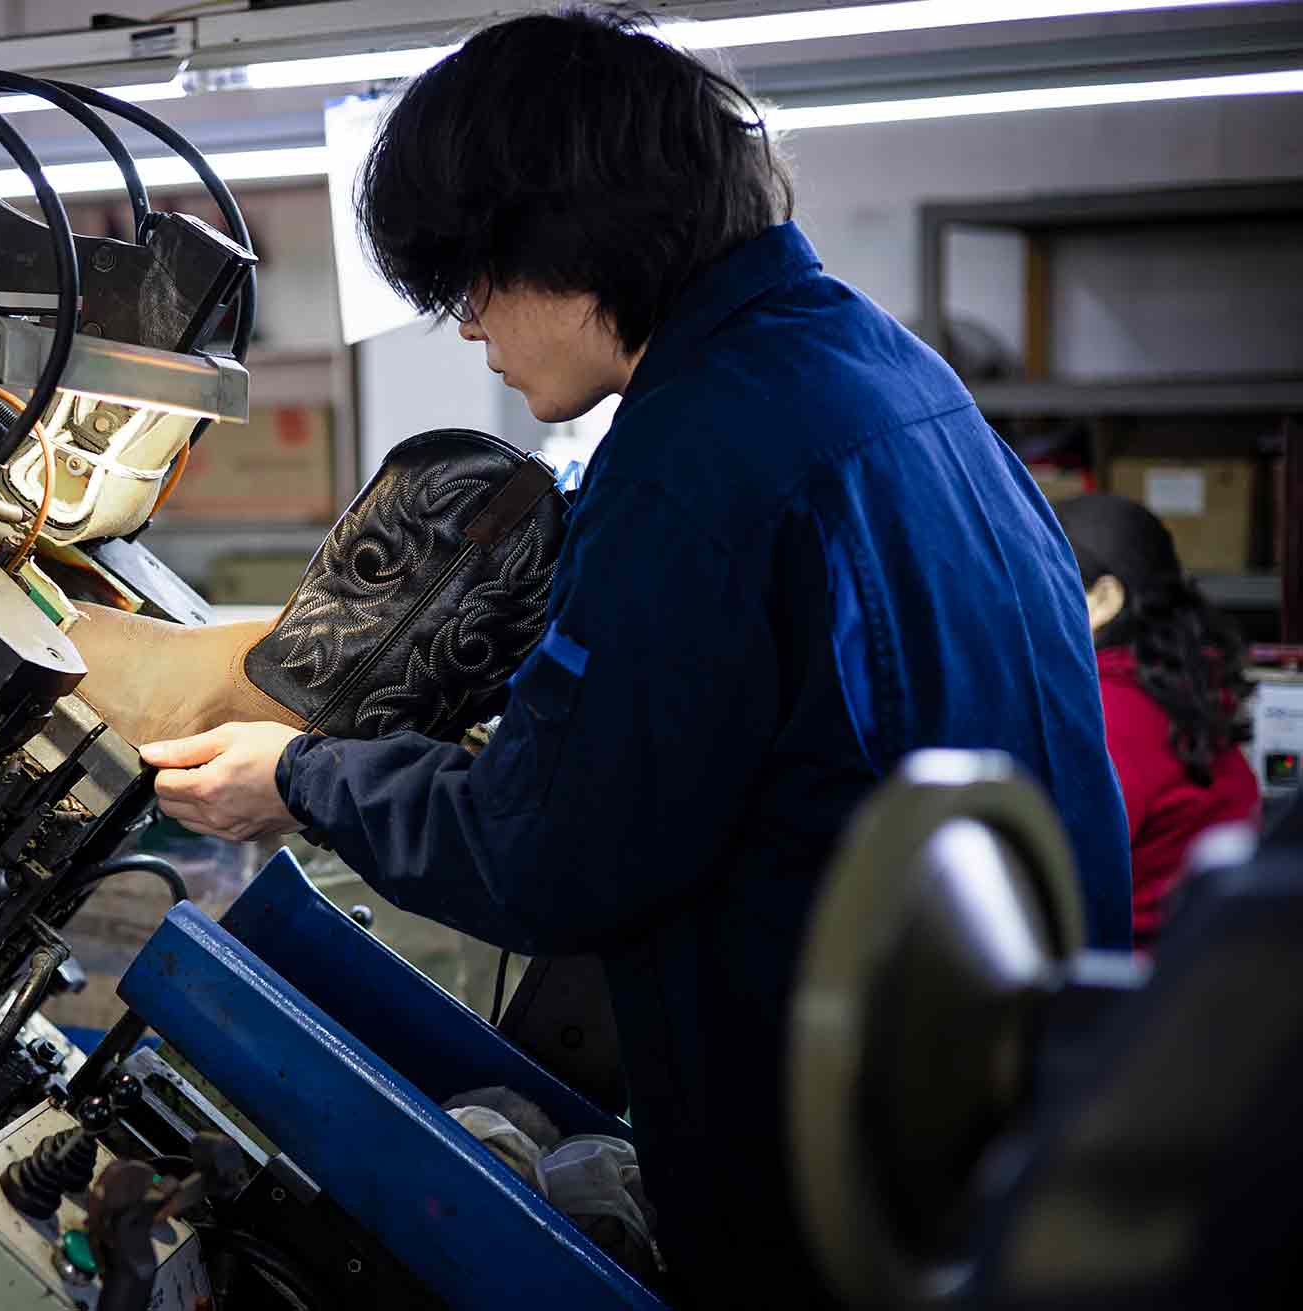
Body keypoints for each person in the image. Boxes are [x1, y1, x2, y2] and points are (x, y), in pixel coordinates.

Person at [139, 10, 1133, 1305]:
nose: (466, 327)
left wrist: (303, 775)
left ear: (565, 240)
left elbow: (554, 852)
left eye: (473, 281)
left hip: (830, 1191)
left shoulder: (695, 452)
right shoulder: (892, 377)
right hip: (997, 1143)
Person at [1053, 493, 1261, 951]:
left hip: (1135, 997)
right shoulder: (1175, 691)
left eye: (1032, 581)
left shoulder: (1107, 718)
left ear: (1101, 601)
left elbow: (1055, 882)